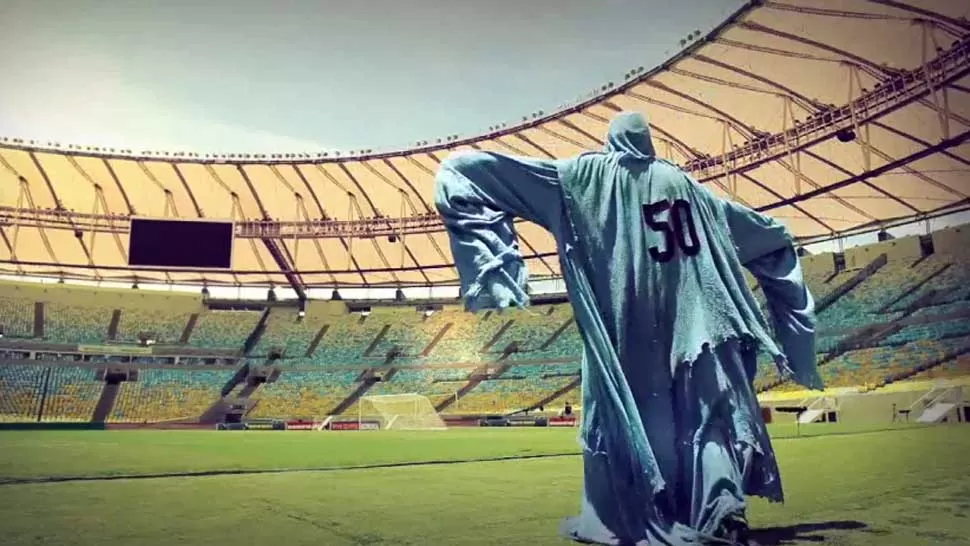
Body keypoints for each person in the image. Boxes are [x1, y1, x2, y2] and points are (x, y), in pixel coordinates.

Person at [434, 111, 823, 546]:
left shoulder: (584, 176)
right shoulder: (689, 188)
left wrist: (492, 264)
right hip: (700, 327)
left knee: (631, 421)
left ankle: (639, 512)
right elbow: (764, 234)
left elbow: (475, 172)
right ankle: (724, 510)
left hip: (630, 330)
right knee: (708, 421)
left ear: (612, 141)